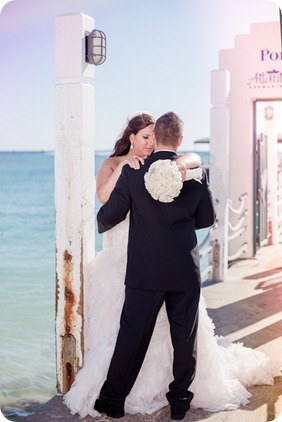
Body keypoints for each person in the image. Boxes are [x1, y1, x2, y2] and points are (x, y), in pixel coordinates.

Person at [63, 112, 281, 419]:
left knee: (132, 338)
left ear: (157, 138)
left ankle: (112, 401)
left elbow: (105, 219)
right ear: (179, 140)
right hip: (184, 273)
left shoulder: (134, 173)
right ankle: (179, 402)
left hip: (144, 273)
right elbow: (206, 220)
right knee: (184, 339)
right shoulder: (193, 174)